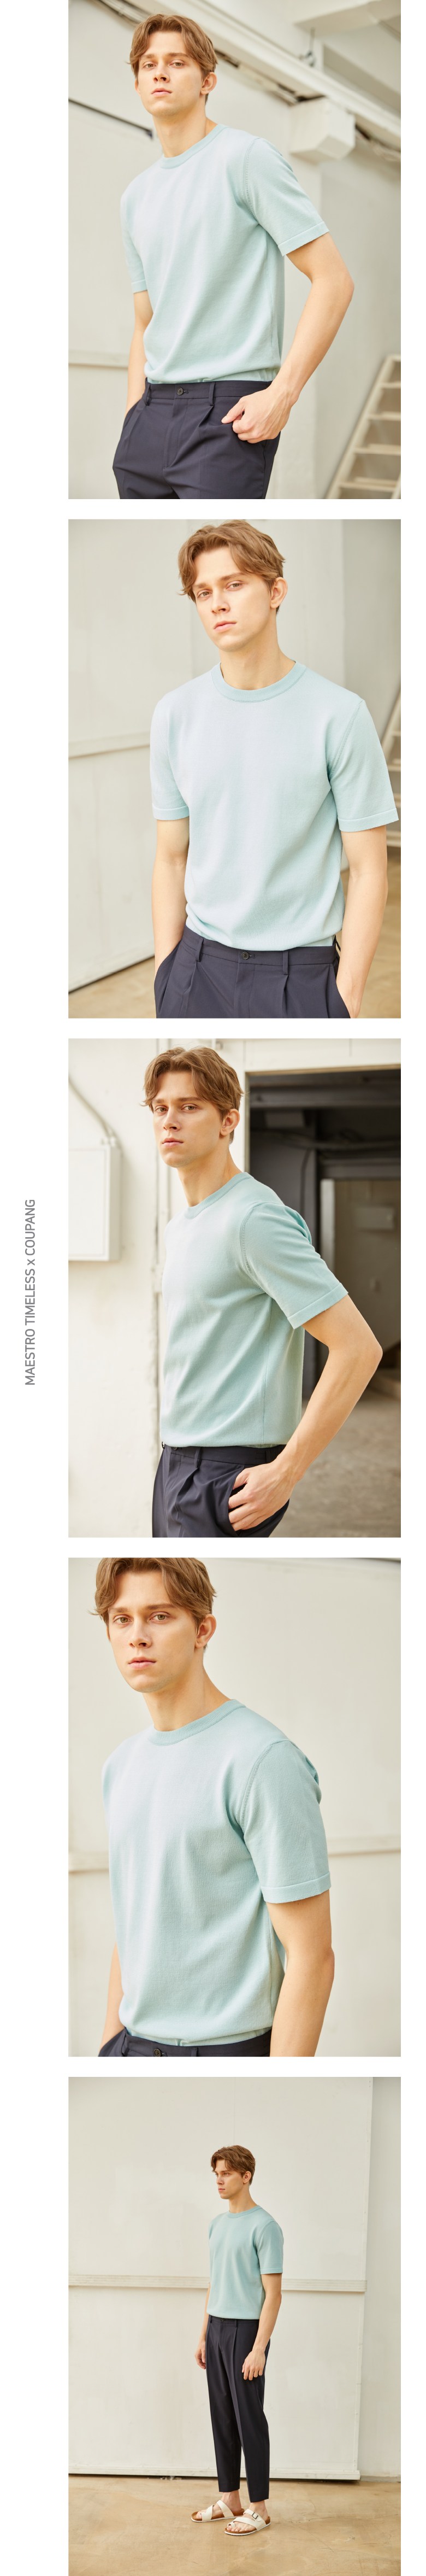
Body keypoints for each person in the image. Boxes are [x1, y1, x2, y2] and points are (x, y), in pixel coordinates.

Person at [151, 521, 398, 1020]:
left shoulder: (340, 715)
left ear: (276, 592)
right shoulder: (175, 714)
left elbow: (370, 868)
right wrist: (166, 977)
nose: (217, 604)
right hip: (197, 968)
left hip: (301, 975)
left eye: (234, 584)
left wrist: (346, 997)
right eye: (204, 592)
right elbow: (171, 858)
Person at [98, 1554, 334, 2059]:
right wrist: (109, 2045)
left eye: (160, 1616)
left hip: (226, 2051)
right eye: (122, 1619)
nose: (138, 1636)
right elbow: (136, 1920)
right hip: (130, 2047)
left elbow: (312, 1958)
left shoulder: (263, 1761)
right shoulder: (120, 1765)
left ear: (203, 1630)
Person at [113, 11, 353, 501]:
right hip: (150, 416)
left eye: (177, 62)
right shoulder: (135, 197)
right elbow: (144, 319)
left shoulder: (247, 159)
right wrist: (134, 415)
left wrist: (282, 394)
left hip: (226, 410)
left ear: (208, 81)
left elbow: (334, 281)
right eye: (149, 64)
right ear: (137, 83)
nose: (160, 73)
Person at [144, 1044, 382, 1538]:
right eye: (160, 1108)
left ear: (228, 1121)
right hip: (177, 1460)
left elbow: (359, 1348)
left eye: (190, 1107)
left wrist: (287, 1471)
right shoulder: (183, 1225)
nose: (170, 1121)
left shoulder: (254, 1219)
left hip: (225, 1469)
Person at [193, 2142, 283, 2536]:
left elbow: (273, 2294)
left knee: (250, 2420)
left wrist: (259, 2348)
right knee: (223, 2417)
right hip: (217, 2328)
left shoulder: (265, 2226)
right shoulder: (217, 2225)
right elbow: (215, 2284)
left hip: (246, 2331)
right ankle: (230, 2497)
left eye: (226, 2173)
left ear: (246, 2177)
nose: (219, 2180)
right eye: (216, 2174)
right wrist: (203, 2335)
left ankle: (259, 2507)